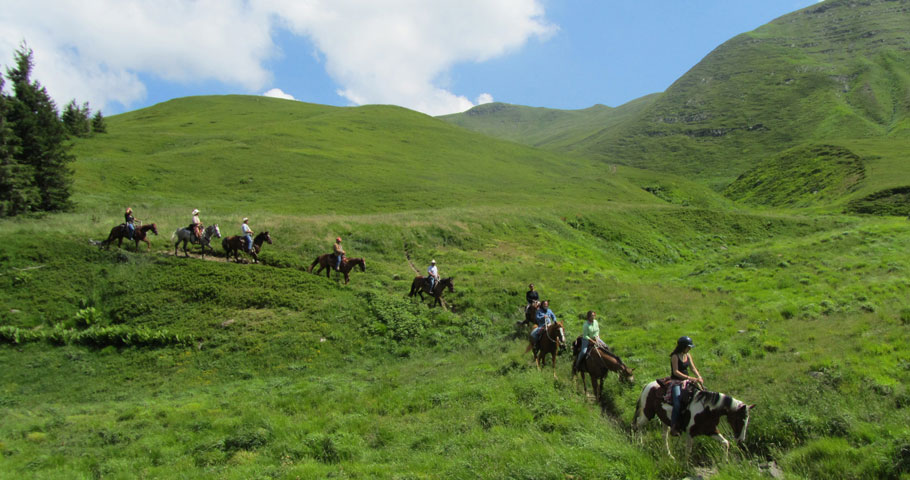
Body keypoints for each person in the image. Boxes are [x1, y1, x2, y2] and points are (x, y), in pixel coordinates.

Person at [669, 335, 704, 436]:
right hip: (676, 382)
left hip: (687, 381)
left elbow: (693, 368)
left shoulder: (688, 356)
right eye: (688, 347)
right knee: (677, 403)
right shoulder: (675, 356)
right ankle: (674, 426)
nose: (689, 349)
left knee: (701, 394)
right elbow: (675, 372)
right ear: (683, 346)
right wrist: (690, 378)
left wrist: (699, 377)